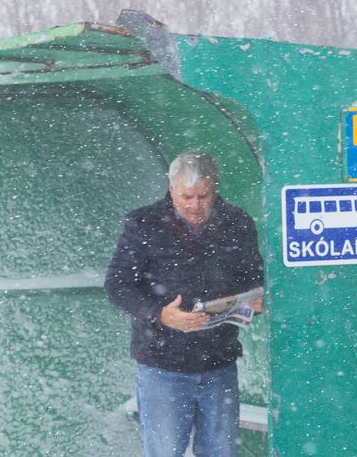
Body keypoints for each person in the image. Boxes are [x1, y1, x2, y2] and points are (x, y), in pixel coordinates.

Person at [105, 150, 264, 457]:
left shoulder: (237, 222)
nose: (195, 205)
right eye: (186, 196)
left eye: (203, 196)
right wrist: (159, 314)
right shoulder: (144, 224)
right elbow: (117, 285)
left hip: (220, 363)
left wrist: (253, 298)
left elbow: (253, 275)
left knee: (222, 452)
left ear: (215, 188)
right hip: (163, 365)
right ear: (171, 189)